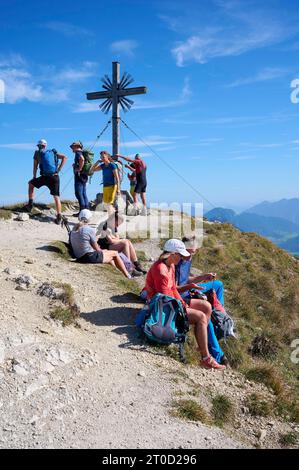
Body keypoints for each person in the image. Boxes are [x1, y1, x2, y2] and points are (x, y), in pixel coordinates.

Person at [145, 239, 226, 370]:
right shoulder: (161, 270)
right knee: (200, 317)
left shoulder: (170, 265)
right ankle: (206, 358)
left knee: (206, 306)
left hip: (169, 303)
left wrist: (183, 304)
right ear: (172, 254)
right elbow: (166, 299)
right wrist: (183, 308)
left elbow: (173, 290)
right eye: (180, 255)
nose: (182, 258)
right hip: (161, 308)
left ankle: (202, 340)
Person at [175, 235, 227, 365]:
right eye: (189, 252)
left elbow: (187, 279)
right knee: (205, 314)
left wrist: (204, 276)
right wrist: (191, 287)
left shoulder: (187, 260)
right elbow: (176, 287)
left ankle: (220, 315)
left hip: (189, 289)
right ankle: (217, 353)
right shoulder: (177, 262)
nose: (191, 255)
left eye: (193, 251)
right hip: (183, 294)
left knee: (218, 284)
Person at [69, 209, 134, 279]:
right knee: (115, 253)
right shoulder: (89, 229)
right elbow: (97, 249)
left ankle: (119, 274)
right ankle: (128, 275)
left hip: (79, 257)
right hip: (89, 257)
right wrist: (102, 248)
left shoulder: (73, 230)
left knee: (110, 257)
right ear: (90, 219)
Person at [25, 139, 67, 224]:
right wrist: (58, 170)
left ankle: (30, 205)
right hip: (55, 177)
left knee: (30, 184)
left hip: (44, 177)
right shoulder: (53, 152)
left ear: (38, 146)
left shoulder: (37, 153)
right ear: (45, 145)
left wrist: (34, 177)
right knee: (56, 196)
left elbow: (35, 167)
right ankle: (59, 216)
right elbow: (65, 157)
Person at [91, 151, 120, 215]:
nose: (102, 158)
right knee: (106, 205)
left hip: (112, 186)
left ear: (107, 157)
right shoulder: (103, 166)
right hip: (105, 186)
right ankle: (114, 215)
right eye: (101, 157)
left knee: (109, 204)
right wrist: (97, 162)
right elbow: (93, 170)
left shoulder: (112, 165)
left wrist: (118, 188)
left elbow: (117, 177)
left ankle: (111, 218)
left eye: (103, 157)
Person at [70, 141, 89, 216]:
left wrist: (79, 168)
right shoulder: (82, 152)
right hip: (84, 175)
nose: (72, 148)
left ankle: (82, 211)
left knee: (78, 193)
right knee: (83, 193)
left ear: (76, 146)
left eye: (72, 147)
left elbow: (82, 159)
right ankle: (86, 210)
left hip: (79, 175)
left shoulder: (78, 153)